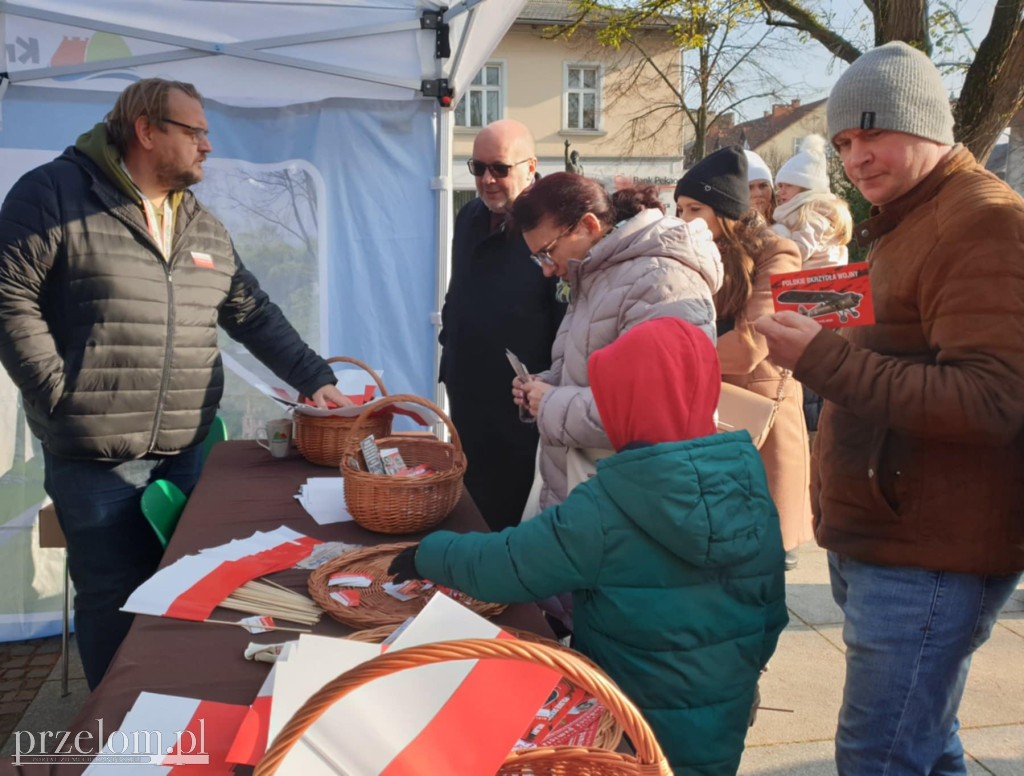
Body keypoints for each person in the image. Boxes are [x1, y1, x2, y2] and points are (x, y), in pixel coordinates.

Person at [0, 78, 351, 689]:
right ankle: (120, 731)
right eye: (195, 132)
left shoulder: (199, 223)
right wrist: (58, 396)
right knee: (113, 597)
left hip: (186, 451)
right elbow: (8, 298)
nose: (207, 147)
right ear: (146, 130)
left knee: (186, 589)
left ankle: (172, 702)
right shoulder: (54, 193)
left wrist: (316, 380)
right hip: (94, 456)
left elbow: (251, 311)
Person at [754, 42, 1024, 775]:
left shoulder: (983, 220)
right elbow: (893, 333)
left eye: (872, 131)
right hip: (889, 537)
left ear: (925, 122)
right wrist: (799, 306)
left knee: (879, 757)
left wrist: (820, 356)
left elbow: (993, 399)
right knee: (927, 747)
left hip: (930, 555)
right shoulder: (906, 217)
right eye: (844, 141)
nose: (856, 155)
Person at [390, 317, 787, 776]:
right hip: (721, 721)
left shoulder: (608, 506)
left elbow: (507, 563)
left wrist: (430, 553)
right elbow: (771, 614)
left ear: (626, 405)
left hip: (625, 729)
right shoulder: (749, 487)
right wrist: (731, 684)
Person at [511, 174, 722, 516]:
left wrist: (550, 402)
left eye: (547, 254)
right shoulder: (597, 272)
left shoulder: (661, 279)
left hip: (629, 504)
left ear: (588, 225)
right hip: (595, 495)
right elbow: (592, 371)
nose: (547, 271)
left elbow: (657, 411)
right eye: (538, 259)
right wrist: (545, 385)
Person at [675, 146, 812, 571]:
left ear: (725, 211)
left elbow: (755, 342)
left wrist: (674, 363)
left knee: (762, 561)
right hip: (711, 415)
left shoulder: (779, 252)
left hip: (759, 421)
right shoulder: (695, 250)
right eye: (679, 209)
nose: (683, 220)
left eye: (694, 208)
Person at [439, 119, 565, 532]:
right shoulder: (471, 215)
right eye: (478, 168)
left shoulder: (553, 223)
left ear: (530, 167)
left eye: (500, 168)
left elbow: (566, 318)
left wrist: (552, 386)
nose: (488, 179)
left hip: (520, 403)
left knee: (513, 514)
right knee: (470, 501)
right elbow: (460, 288)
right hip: (468, 389)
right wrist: (450, 338)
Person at [771, 134, 852, 270]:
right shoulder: (800, 211)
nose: (781, 191)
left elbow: (801, 250)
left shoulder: (812, 214)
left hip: (814, 280)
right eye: (780, 186)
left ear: (805, 188)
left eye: (789, 185)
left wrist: (773, 242)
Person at [745, 149, 776, 223]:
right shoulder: (727, 232)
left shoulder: (791, 227)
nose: (758, 193)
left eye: (763, 186)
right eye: (749, 187)